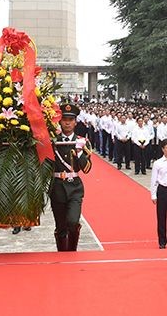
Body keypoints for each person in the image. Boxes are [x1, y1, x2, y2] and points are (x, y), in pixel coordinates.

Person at [50, 103, 92, 251]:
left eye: (70, 119)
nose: (67, 122)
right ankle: (62, 253)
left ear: (75, 122)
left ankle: (72, 251)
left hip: (74, 187)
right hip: (57, 186)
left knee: (73, 222)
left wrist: (79, 151)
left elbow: (86, 169)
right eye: (64, 119)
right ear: (60, 121)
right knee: (61, 226)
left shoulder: (82, 141)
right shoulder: (53, 141)